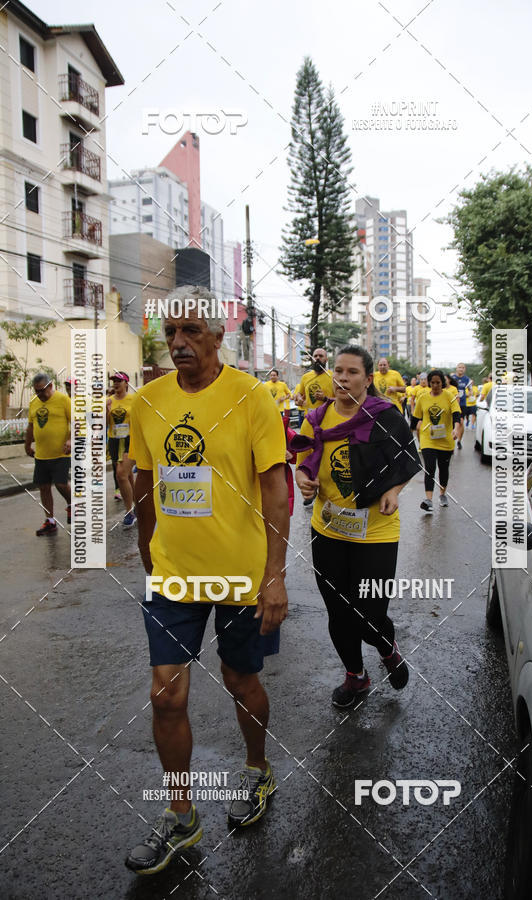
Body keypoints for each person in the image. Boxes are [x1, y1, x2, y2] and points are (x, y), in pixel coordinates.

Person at [125, 285, 289, 875]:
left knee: (241, 681)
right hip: (174, 574)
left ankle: (256, 770)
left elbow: (276, 490)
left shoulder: (250, 397)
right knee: (165, 693)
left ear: (219, 335)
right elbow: (143, 483)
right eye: (171, 333)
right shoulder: (145, 402)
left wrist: (275, 574)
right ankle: (181, 816)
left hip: (242, 576)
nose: (179, 343)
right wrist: (149, 554)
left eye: (192, 331)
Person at [292, 345, 420, 708]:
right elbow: (304, 461)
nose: (343, 378)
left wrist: (393, 490)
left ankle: (386, 648)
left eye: (352, 372)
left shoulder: (386, 415)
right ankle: (355, 677)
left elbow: (408, 459)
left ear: (367, 378)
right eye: (338, 371)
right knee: (337, 611)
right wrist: (304, 478)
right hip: (328, 528)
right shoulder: (316, 418)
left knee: (370, 613)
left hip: (376, 532)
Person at [25, 373, 71, 535]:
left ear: (51, 386)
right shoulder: (34, 402)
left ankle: (72, 504)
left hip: (61, 453)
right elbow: (31, 426)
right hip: (42, 454)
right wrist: (27, 445)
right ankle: (50, 521)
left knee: (60, 484)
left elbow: (77, 422)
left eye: (42, 390)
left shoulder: (63, 400)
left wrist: (70, 441)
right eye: (36, 391)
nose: (39, 394)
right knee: (44, 487)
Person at [412, 369, 461, 513]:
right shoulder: (423, 397)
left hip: (446, 439)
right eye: (432, 382)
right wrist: (410, 432)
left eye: (438, 382)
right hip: (428, 438)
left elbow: (456, 415)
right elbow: (416, 418)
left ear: (442, 383)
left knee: (443, 469)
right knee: (430, 468)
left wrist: (456, 429)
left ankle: (442, 494)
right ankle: (428, 499)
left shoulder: (449, 396)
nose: (434, 385)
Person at [106, 372, 136, 528]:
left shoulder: (134, 399)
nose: (116, 383)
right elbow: (102, 424)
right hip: (115, 441)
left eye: (119, 381)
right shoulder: (108, 401)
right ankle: (138, 504)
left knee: (121, 474)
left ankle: (129, 512)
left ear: (126, 383)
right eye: (114, 381)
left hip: (130, 440)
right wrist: (107, 411)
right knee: (128, 475)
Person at [453, 363, 472, 449]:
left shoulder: (467, 379)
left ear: (465, 369)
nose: (461, 369)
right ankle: (451, 441)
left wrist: (467, 395)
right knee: (451, 423)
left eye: (463, 368)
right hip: (452, 403)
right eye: (459, 367)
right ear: (456, 368)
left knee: (461, 422)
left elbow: (470, 390)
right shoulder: (452, 378)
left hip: (462, 404)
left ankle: (459, 441)